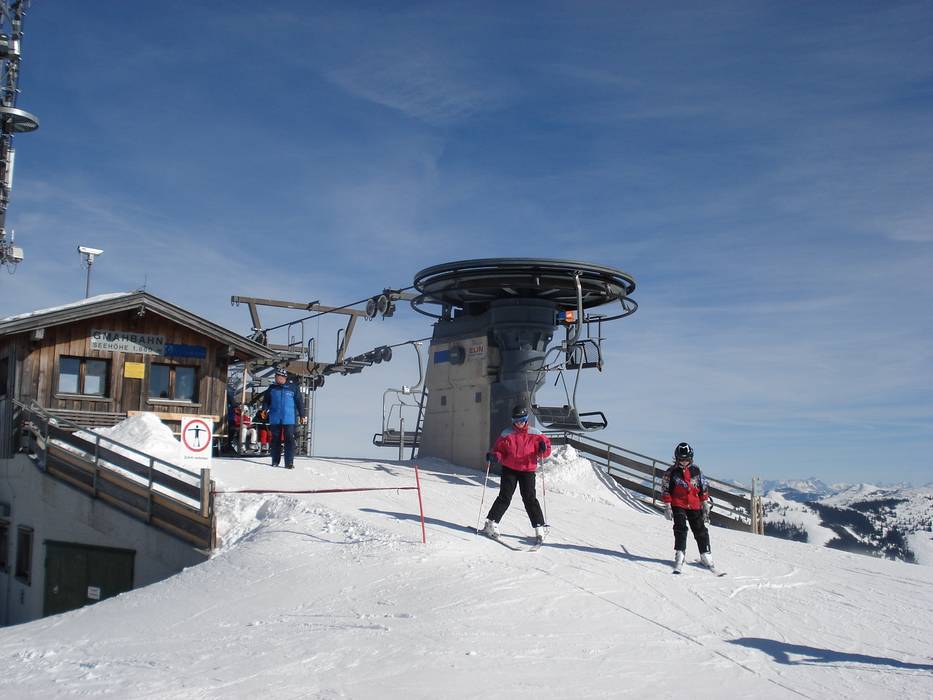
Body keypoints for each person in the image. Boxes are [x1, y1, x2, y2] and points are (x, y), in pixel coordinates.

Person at [482, 406, 551, 545]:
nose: (519, 423)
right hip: (509, 469)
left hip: (527, 470)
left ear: (526, 419)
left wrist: (543, 449)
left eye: (522, 420)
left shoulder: (535, 434)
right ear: (513, 420)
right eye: (516, 420)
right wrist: (495, 456)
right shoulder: (506, 434)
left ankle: (539, 526)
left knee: (529, 498)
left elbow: (545, 450)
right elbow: (499, 451)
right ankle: (491, 522)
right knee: (505, 497)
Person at [661, 442, 714, 572]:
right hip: (678, 503)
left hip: (694, 504)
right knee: (680, 527)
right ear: (677, 458)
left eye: (687, 459)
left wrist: (704, 502)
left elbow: (703, 486)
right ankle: (680, 553)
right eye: (681, 459)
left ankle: (705, 554)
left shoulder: (696, 470)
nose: (684, 462)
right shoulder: (671, 472)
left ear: (691, 458)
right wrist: (667, 505)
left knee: (699, 528)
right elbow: (665, 488)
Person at [260, 367, 306, 469]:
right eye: (276, 377)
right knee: (275, 439)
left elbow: (299, 402)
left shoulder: (293, 388)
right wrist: (264, 410)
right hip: (275, 418)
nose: (276, 378)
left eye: (278, 377)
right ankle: (275, 461)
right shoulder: (272, 388)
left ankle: (289, 462)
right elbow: (266, 401)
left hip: (289, 418)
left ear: (284, 377)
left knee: (289, 439)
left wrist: (302, 415)